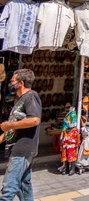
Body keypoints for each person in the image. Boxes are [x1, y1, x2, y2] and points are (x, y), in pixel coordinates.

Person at [0, 69, 42, 201]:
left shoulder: (31, 96)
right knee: (24, 186)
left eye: (12, 81)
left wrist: (9, 125)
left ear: (21, 83)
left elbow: (35, 120)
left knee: (9, 188)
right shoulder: (19, 99)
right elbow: (14, 127)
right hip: (19, 149)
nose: (10, 83)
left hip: (22, 149)